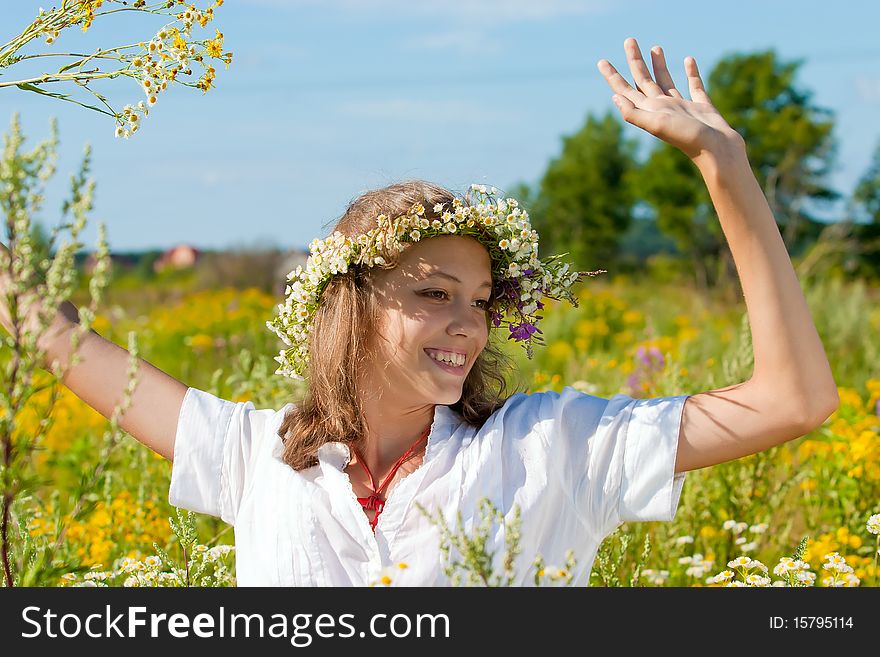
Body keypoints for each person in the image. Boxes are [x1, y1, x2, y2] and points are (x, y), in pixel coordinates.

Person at [0, 38, 839, 586]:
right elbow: (61, 339)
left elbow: (792, 400)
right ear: (349, 305)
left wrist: (723, 166)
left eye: (479, 302)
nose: (467, 325)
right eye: (434, 293)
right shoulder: (254, 457)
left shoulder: (557, 447)